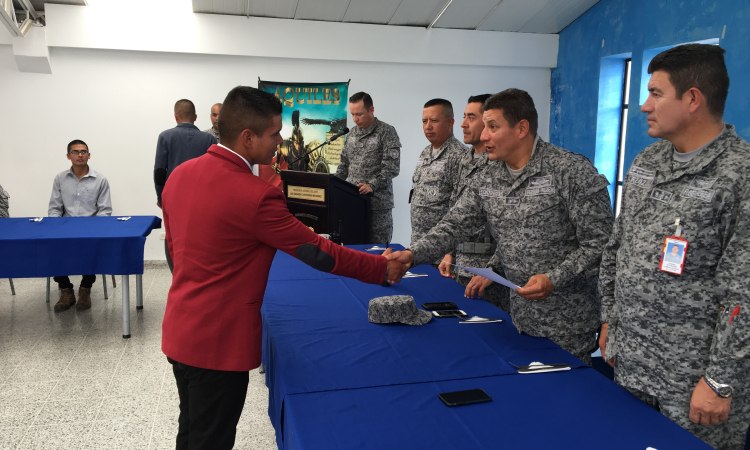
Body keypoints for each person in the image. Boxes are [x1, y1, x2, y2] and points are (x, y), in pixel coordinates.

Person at [160, 86, 407, 450]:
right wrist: (380, 269)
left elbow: (173, 247)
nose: (280, 141)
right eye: (274, 134)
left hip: (180, 329)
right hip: (218, 343)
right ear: (247, 137)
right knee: (209, 438)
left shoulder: (179, 176)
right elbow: (317, 252)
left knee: (193, 429)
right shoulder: (254, 195)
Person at [598, 44, 750, 450]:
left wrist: (719, 380)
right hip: (632, 364)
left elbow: (744, 293)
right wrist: (610, 318)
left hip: (691, 380)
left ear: (693, 99)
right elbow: (618, 246)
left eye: (656, 93)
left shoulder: (740, 175)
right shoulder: (648, 160)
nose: (644, 106)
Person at [392, 89, 613, 365]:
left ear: (521, 128)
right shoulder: (488, 175)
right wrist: (412, 255)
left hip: (567, 323)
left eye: (492, 127)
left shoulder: (570, 171)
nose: (483, 136)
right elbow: (454, 223)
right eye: (484, 127)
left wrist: (555, 278)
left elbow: (601, 245)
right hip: (518, 316)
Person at [437, 94, 510, 312]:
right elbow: (454, 210)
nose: (463, 124)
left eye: (471, 117)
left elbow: (510, 229)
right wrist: (449, 252)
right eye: (464, 116)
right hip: (461, 265)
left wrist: (492, 269)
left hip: (490, 273)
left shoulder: (501, 164)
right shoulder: (465, 159)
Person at [48, 139, 112, 312]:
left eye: (83, 151)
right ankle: (66, 290)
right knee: (52, 245)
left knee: (91, 245)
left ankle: (85, 289)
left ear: (89, 155)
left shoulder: (100, 180)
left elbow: (105, 210)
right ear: (68, 156)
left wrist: (94, 229)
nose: (80, 155)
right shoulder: (60, 179)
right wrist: (56, 228)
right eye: (75, 152)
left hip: (91, 228)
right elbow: (54, 208)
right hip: (65, 227)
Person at [154, 99, 216, 272]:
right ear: (195, 117)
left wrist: (160, 197)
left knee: (174, 236)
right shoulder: (209, 138)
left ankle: (177, 271)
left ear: (175, 116)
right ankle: (199, 271)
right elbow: (215, 171)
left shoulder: (165, 136)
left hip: (174, 198)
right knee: (201, 236)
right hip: (202, 198)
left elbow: (160, 171)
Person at [335, 92, 401, 244]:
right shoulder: (351, 133)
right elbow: (344, 164)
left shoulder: (386, 132)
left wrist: (372, 185)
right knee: (353, 249)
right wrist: (332, 184)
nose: (355, 119)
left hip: (377, 206)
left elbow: (391, 167)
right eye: (352, 114)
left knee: (377, 250)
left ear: (371, 110)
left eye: (359, 114)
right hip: (353, 203)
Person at [410, 98, 466, 255]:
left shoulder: (459, 156)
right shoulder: (425, 152)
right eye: (424, 121)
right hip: (419, 245)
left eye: (434, 120)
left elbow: (460, 209)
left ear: (450, 123)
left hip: (442, 251)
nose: (428, 126)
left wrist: (451, 254)